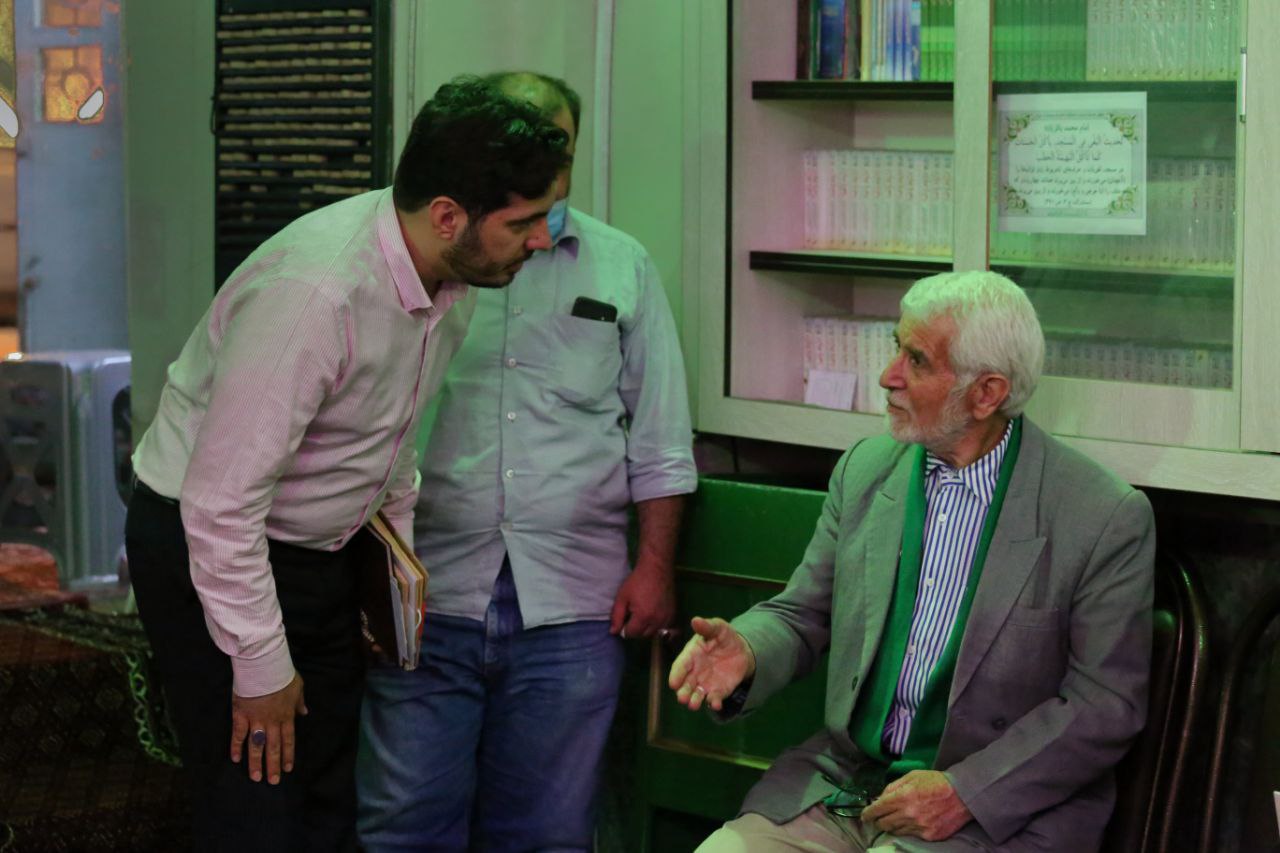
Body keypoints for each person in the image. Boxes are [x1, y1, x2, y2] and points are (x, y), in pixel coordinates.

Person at [124, 76, 570, 852]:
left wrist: (389, 576)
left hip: (318, 549)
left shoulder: (451, 278)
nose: (542, 240)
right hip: (210, 546)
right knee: (258, 802)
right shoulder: (316, 292)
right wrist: (261, 667)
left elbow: (390, 441)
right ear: (447, 215)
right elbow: (219, 505)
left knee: (327, 800)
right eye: (524, 221)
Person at [669, 270, 1155, 852]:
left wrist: (965, 792)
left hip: (987, 811)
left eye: (917, 361)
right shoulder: (866, 470)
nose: (888, 375)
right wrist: (748, 649)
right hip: (847, 784)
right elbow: (804, 614)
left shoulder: (1100, 515)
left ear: (986, 393)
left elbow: (1104, 705)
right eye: (895, 346)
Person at [356, 71, 697, 852]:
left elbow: (660, 436)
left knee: (547, 832)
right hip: (427, 594)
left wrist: (655, 566)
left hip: (574, 601)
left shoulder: (621, 264)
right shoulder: (429, 260)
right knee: (404, 825)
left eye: (558, 149)